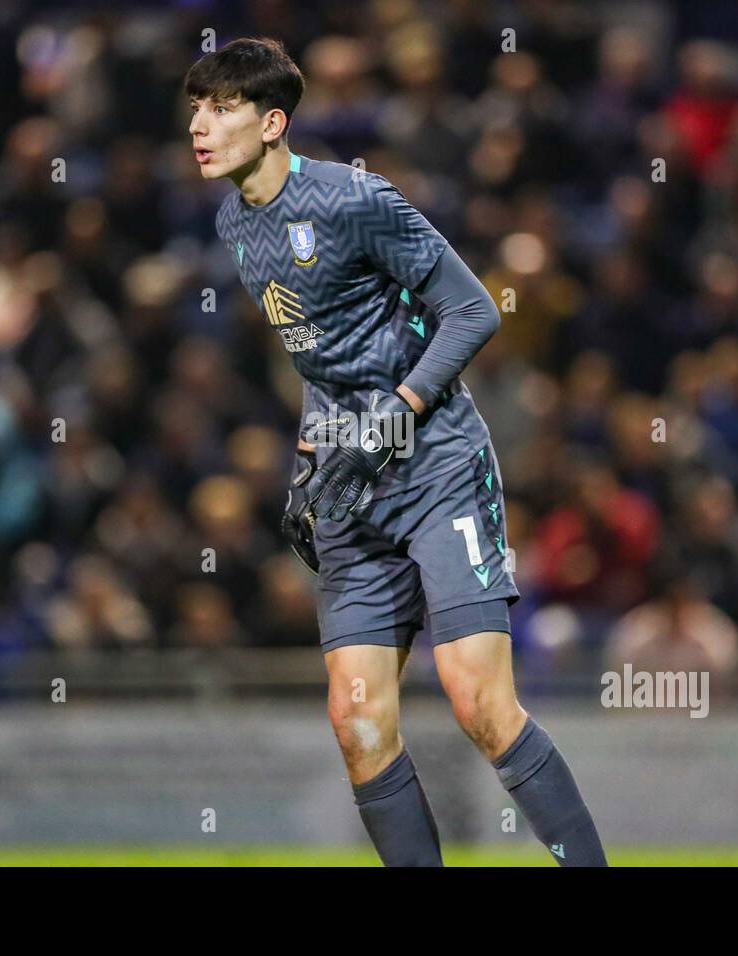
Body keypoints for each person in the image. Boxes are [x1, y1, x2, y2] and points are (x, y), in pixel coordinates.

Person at [185, 37, 606, 866]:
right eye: (195, 106)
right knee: (356, 718)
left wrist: (396, 413)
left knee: (477, 699)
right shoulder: (234, 218)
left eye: (221, 107)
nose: (199, 123)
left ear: (273, 123)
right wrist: (316, 448)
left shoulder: (351, 199)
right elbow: (321, 355)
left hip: (435, 465)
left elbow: (473, 310)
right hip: (349, 482)